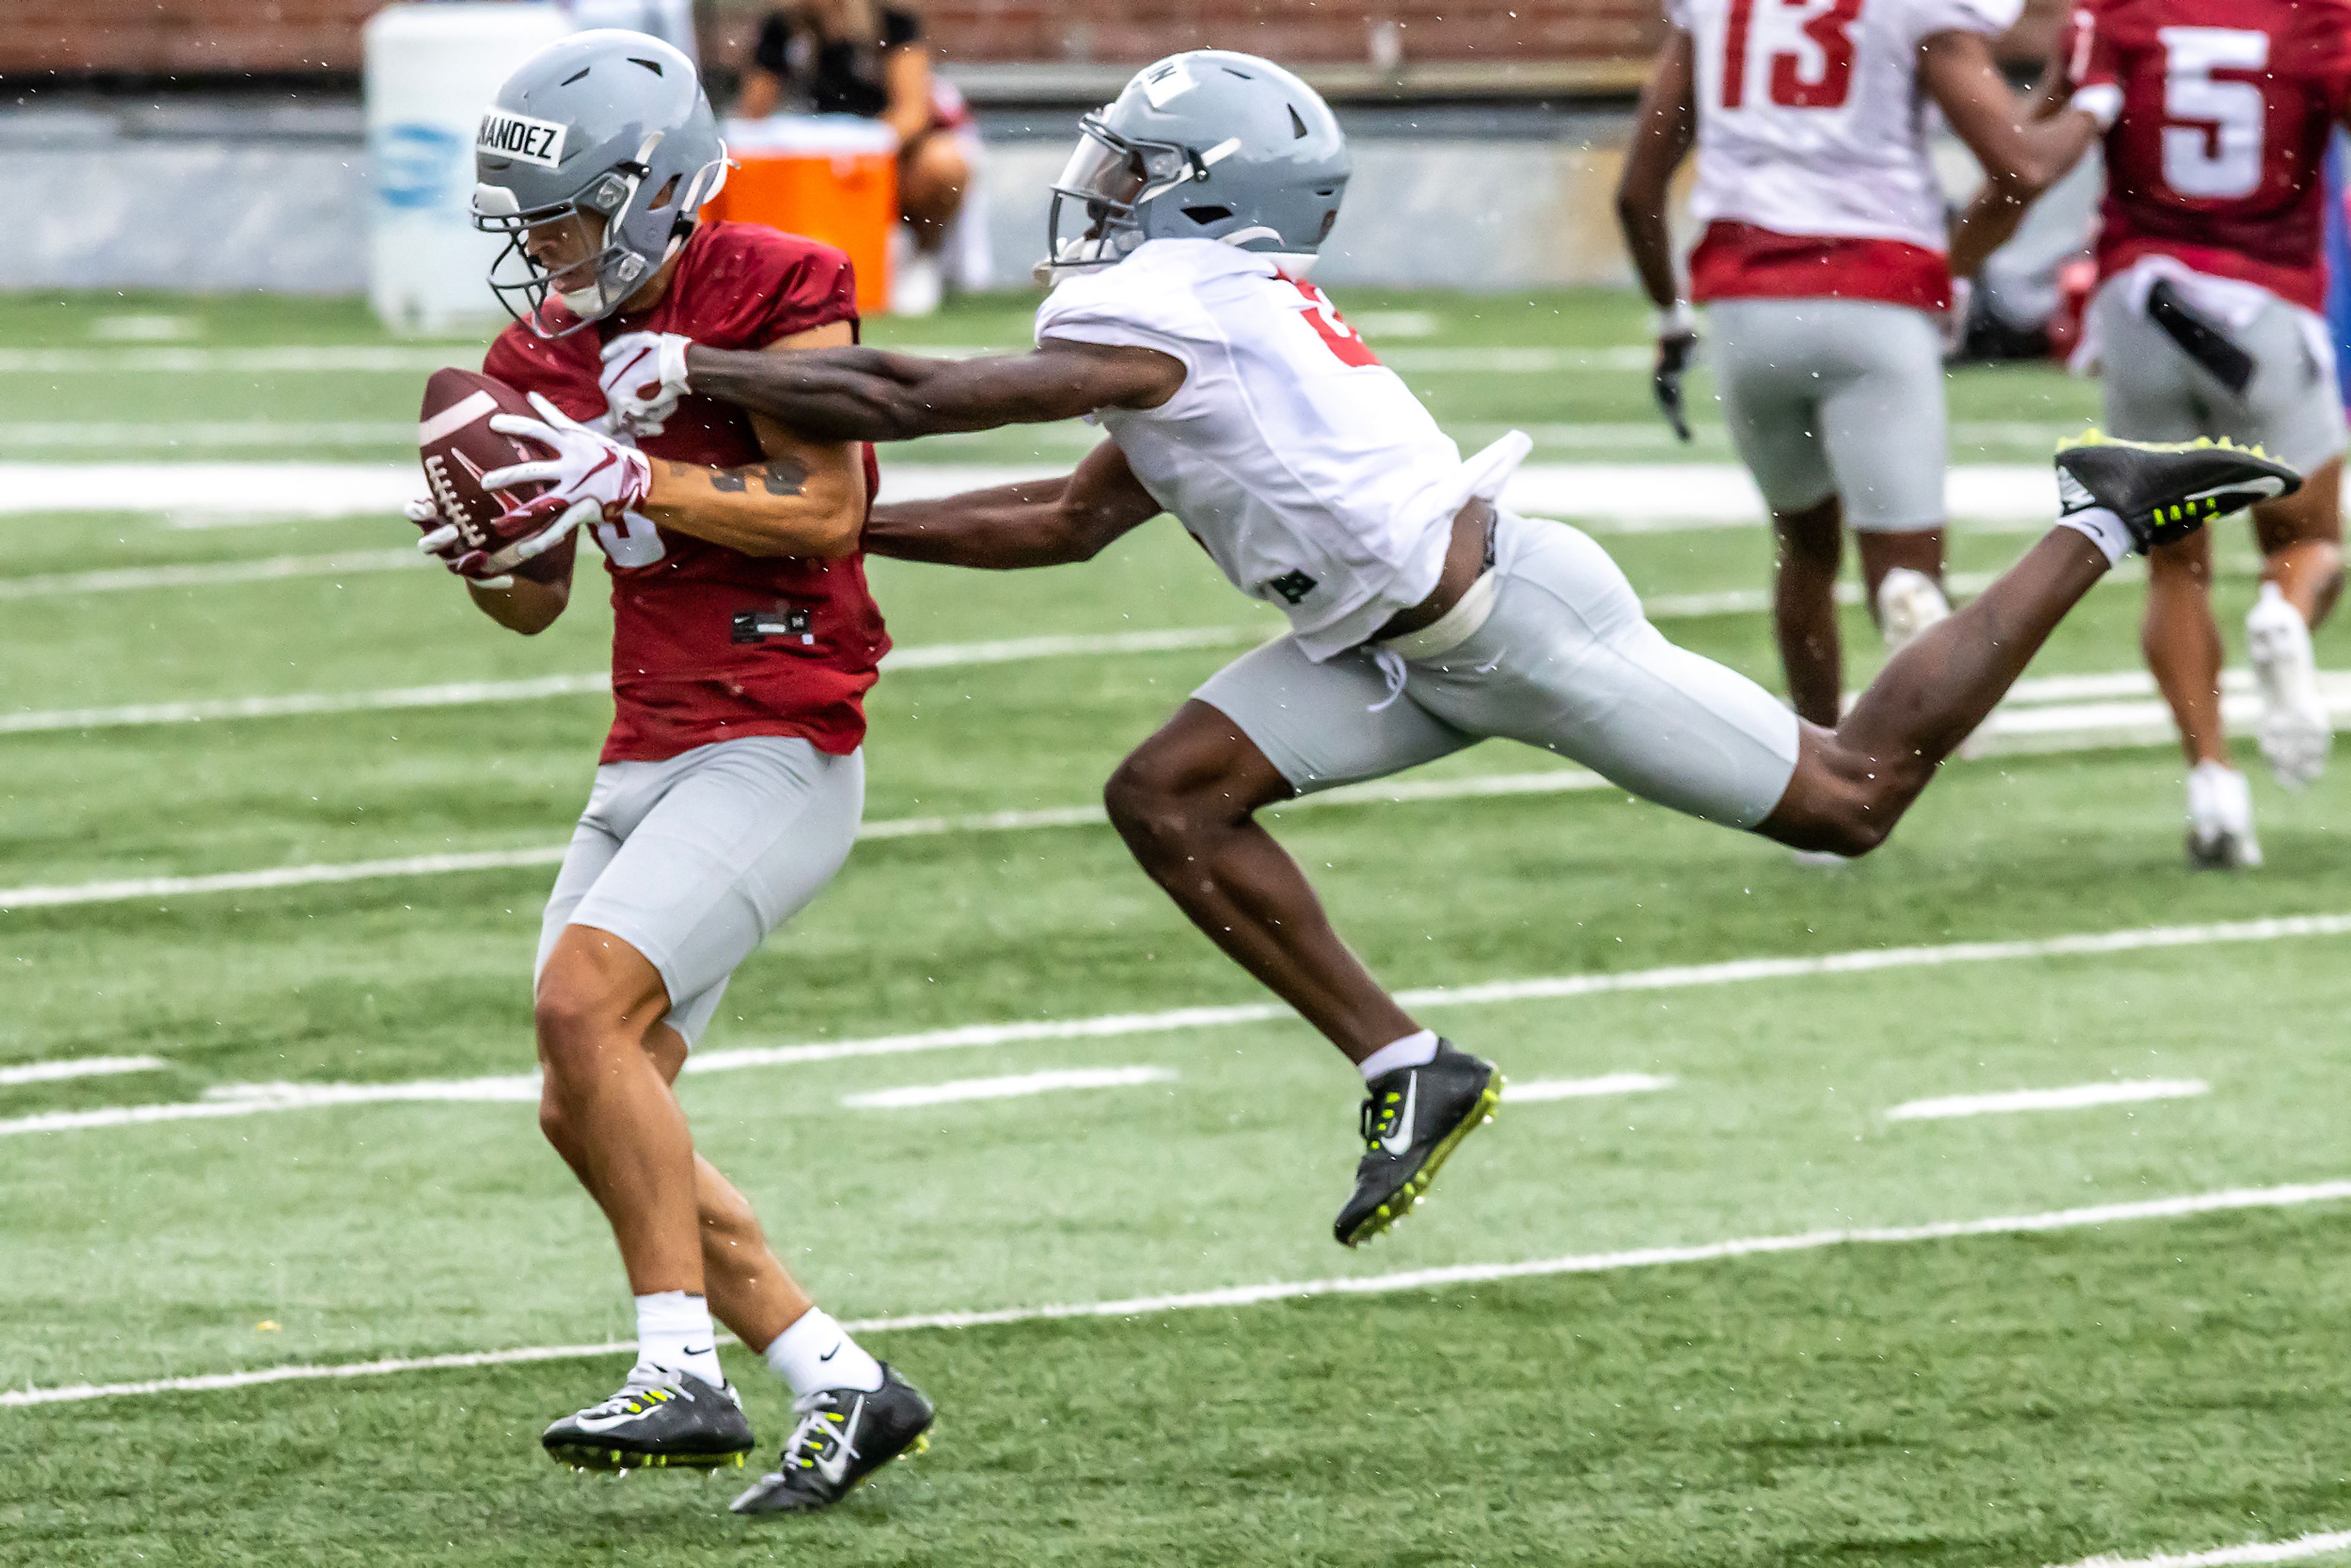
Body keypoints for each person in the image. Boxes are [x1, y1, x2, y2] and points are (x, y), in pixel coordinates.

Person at [519, 50, 2300, 1250]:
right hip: (1378, 644)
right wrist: (774, 509)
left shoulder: (1178, 307)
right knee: (1169, 796)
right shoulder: (1185, 313)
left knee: (1843, 800)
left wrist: (716, 382)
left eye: (1134, 170)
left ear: (1209, 199)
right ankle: (1404, 1064)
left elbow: (917, 391)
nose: (1102, 189)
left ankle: (2092, 512)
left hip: (1508, 626)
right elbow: (1056, 520)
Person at [408, 29, 933, 1512]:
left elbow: (826, 506)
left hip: (778, 733)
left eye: (562, 215)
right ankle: (838, 1375)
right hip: (646, 741)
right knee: (584, 1094)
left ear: (646, 193)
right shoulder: (537, 354)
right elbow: (537, 602)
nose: (538, 248)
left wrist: (637, 468)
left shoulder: (772, 282)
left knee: (580, 1003)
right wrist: (483, 543)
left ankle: (679, 1366)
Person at [1613, 0, 2094, 748]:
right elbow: (2019, 165)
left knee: (1803, 548)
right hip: (1874, 290)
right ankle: (1904, 670)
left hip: (1747, 303)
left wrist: (1670, 318)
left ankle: (1814, 759)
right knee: (1905, 563)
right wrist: (2095, 102)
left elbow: (1638, 190)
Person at [1953, 0, 2351, 868]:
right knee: (2312, 539)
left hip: (2140, 307)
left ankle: (2213, 781)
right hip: (2263, 303)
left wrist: (1955, 261)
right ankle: (2283, 615)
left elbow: (2035, 154)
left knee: (2176, 563)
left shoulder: (2121, 15)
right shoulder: (2311, 16)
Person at [738, 0, 973, 312]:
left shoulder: (890, 22)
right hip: (811, 164)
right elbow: (752, 119)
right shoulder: (784, 28)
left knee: (942, 164)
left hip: (884, 158)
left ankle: (919, 254)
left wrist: (859, 148)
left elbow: (911, 114)